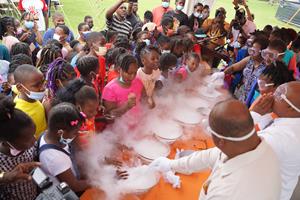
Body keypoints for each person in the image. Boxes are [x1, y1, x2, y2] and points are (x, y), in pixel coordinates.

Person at [150, 99, 281, 200]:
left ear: (221, 141)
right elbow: (209, 156)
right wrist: (171, 164)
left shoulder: (228, 193)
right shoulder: (244, 145)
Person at [250, 81, 300, 200]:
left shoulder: (280, 136)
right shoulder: (289, 119)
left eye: (278, 95)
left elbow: (237, 147)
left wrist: (253, 113)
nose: (270, 95)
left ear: (290, 107)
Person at [38, 102, 90, 193]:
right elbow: (75, 186)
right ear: (60, 132)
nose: (77, 135)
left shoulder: (51, 134)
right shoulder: (54, 157)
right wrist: (101, 181)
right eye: (75, 133)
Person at [0, 94, 38, 199]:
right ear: (7, 142)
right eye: (28, 139)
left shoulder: (29, 146)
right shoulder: (1, 160)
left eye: (33, 134)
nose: (35, 140)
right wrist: (6, 177)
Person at [225, 37, 269, 103]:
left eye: (254, 51)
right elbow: (233, 68)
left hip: (253, 100)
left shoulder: (267, 67)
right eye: (251, 50)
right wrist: (221, 74)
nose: (251, 53)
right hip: (241, 95)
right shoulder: (249, 59)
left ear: (263, 52)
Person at [102, 53, 144, 120]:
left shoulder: (138, 81)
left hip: (139, 125)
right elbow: (109, 116)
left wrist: (150, 101)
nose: (132, 77)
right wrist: (127, 106)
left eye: (135, 73)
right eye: (129, 73)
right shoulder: (110, 89)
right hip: (121, 128)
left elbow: (144, 99)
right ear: (119, 69)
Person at [14, 64, 47, 138]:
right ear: (20, 87)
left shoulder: (33, 98)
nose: (42, 88)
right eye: (36, 85)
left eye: (43, 82)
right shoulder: (20, 112)